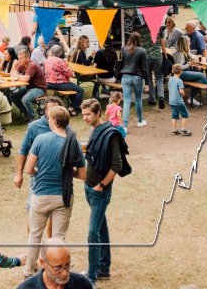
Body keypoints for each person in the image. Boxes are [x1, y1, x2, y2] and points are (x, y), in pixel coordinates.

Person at [22, 105, 84, 277]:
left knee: (35, 235)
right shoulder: (73, 142)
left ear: (55, 121)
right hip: (63, 196)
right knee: (58, 238)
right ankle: (57, 272)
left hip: (41, 194)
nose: (48, 120)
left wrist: (39, 171)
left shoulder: (41, 139)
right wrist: (67, 172)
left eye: (49, 118)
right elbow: (82, 175)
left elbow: (29, 169)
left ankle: (28, 271)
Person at [82, 98, 123, 285]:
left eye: (88, 114)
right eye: (83, 114)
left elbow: (117, 165)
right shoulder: (94, 130)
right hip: (89, 188)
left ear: (98, 113)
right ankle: (103, 268)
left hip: (99, 191)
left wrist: (102, 185)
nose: (85, 118)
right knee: (101, 228)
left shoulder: (110, 134)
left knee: (93, 233)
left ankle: (91, 276)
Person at [15, 239, 94, 289]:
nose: (65, 273)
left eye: (67, 265)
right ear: (43, 263)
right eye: (58, 268)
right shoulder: (26, 287)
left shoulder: (82, 284)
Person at [8, 47, 48, 124]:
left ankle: (33, 117)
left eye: (21, 58)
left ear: (28, 58)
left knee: (25, 99)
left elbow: (25, 79)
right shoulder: (21, 64)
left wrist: (18, 76)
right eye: (19, 58)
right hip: (29, 87)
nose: (19, 60)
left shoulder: (31, 65)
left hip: (39, 88)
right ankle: (27, 113)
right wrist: (19, 76)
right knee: (13, 96)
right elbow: (13, 73)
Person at [118, 32, 148, 129]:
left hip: (125, 76)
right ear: (139, 39)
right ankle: (140, 120)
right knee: (138, 99)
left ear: (129, 39)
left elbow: (121, 63)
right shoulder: (142, 51)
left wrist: (118, 77)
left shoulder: (124, 49)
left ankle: (125, 125)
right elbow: (145, 68)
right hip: (137, 77)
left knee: (126, 101)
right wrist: (147, 82)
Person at [167, 64, 189, 135]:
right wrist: (183, 95)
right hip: (178, 101)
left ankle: (174, 129)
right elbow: (181, 91)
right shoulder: (179, 81)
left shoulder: (170, 79)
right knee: (185, 114)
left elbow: (169, 87)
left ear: (172, 71)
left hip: (171, 101)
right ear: (181, 72)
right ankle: (184, 129)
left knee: (174, 115)